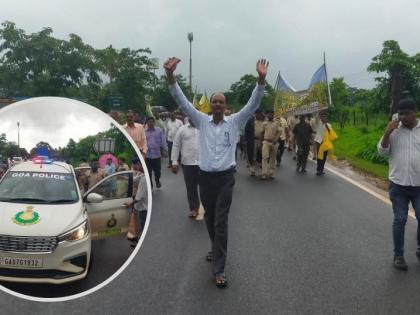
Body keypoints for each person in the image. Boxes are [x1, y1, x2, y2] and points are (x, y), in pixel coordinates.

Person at [165, 56, 268, 288]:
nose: (219, 104)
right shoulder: (200, 121)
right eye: (215, 101)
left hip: (225, 179)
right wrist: (171, 76)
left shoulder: (235, 122)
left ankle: (219, 269)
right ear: (211, 105)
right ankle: (214, 247)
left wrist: (260, 80)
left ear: (226, 105)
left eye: (222, 101)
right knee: (210, 219)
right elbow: (181, 101)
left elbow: (253, 104)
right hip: (205, 179)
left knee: (221, 221)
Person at [377, 98, 420, 271]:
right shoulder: (394, 131)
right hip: (398, 185)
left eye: (406, 113)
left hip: (419, 185)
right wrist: (387, 133)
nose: (402, 117)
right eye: (400, 113)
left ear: (415, 111)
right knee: (400, 219)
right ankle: (398, 255)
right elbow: (382, 152)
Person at [171, 121, 200, 219]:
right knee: (191, 188)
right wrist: (174, 161)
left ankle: (208, 207)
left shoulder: (204, 127)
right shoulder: (182, 129)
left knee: (206, 187)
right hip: (187, 163)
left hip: (203, 163)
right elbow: (176, 145)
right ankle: (194, 208)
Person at [124, 159, 148, 238]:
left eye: (134, 165)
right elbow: (133, 180)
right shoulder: (142, 175)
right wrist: (120, 177)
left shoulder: (144, 179)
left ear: (139, 164)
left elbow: (138, 198)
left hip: (143, 209)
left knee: (143, 229)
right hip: (141, 208)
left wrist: (129, 205)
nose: (133, 166)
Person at [145, 116, 168, 189]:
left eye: (152, 122)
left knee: (157, 171)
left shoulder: (159, 130)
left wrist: (165, 150)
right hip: (147, 156)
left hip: (157, 155)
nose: (150, 123)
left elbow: (163, 141)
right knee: (148, 172)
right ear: (147, 123)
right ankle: (150, 185)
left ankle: (157, 180)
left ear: (154, 122)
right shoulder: (144, 131)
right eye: (149, 122)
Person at [260, 110, 281, 180]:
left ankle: (271, 173)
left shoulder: (277, 123)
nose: (270, 115)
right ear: (267, 115)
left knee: (273, 158)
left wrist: (276, 139)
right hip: (266, 142)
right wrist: (260, 142)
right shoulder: (264, 123)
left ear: (273, 115)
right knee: (264, 157)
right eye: (269, 114)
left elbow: (279, 132)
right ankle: (264, 173)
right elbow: (262, 133)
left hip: (274, 142)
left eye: (271, 114)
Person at [314, 111, 332, 176]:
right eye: (322, 117)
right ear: (320, 117)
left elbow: (330, 133)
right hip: (319, 141)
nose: (323, 118)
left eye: (324, 117)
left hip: (325, 142)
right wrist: (319, 111)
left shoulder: (329, 125)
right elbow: (316, 118)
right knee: (319, 155)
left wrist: (326, 126)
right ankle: (318, 169)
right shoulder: (318, 123)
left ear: (326, 118)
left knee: (324, 156)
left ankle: (321, 169)